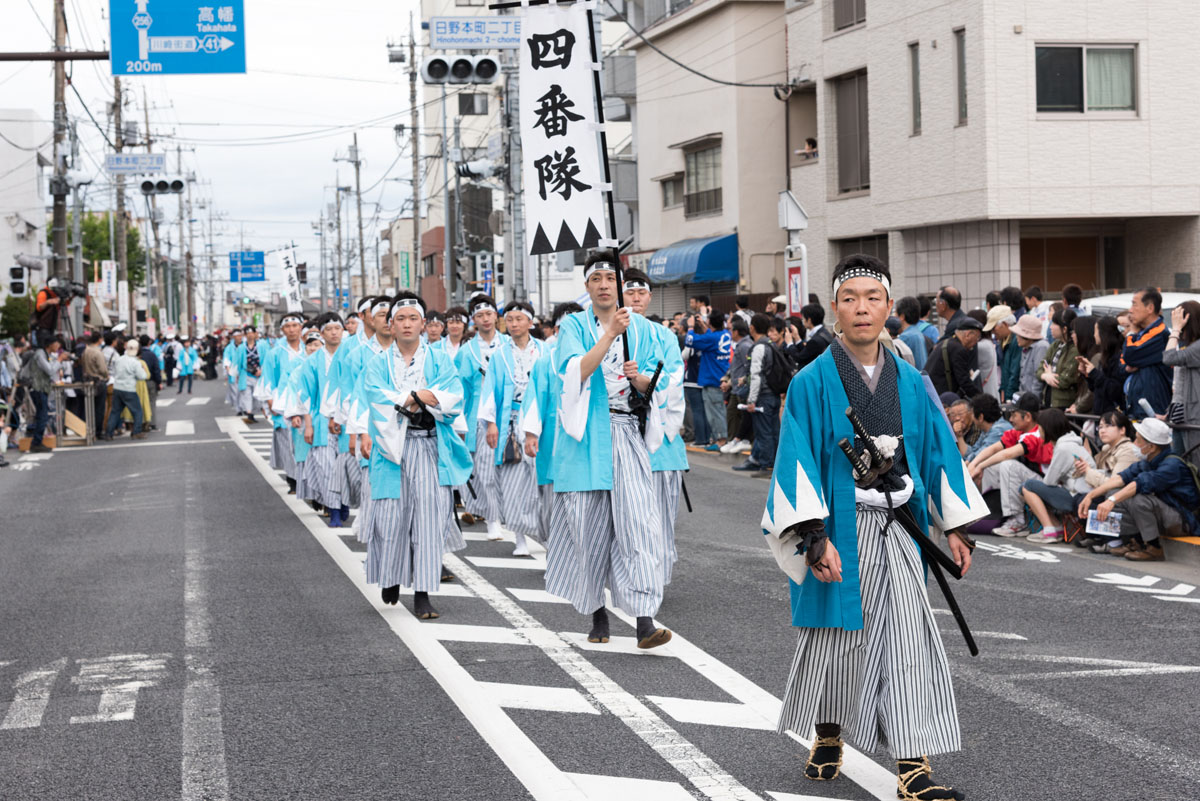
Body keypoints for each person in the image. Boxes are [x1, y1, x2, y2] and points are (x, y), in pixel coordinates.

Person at [763, 253, 985, 801]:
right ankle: (830, 731)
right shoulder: (812, 382)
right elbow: (796, 461)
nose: (862, 309)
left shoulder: (910, 381)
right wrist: (814, 537)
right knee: (839, 642)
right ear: (835, 310)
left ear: (888, 307)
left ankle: (913, 764)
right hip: (841, 526)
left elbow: (938, 453)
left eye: (872, 299)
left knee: (910, 639)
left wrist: (955, 526)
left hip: (902, 525)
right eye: (850, 299)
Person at [545, 251, 673, 649]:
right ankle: (598, 612)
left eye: (610, 277)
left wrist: (642, 381)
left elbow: (660, 385)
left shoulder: (646, 331)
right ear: (586, 286)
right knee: (588, 529)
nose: (604, 284)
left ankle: (644, 620)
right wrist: (608, 336)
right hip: (584, 438)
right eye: (596, 277)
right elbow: (573, 373)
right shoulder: (574, 326)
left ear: (621, 286)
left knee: (639, 524)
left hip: (626, 430)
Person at [621, 269, 688, 584]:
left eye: (641, 293)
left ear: (649, 297)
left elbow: (673, 383)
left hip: (659, 438)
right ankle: (631, 571)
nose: (635, 298)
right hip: (618, 433)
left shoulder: (665, 337)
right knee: (627, 513)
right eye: (630, 292)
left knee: (660, 514)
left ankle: (656, 574)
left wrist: (640, 380)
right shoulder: (606, 332)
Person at [480, 301, 547, 557]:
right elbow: (489, 392)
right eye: (509, 320)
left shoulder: (545, 351)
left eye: (519, 319)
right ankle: (520, 537)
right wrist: (491, 423)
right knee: (512, 480)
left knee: (541, 479)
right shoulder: (499, 355)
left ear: (530, 322)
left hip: (539, 418)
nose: (514, 324)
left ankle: (545, 533)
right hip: (511, 420)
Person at [1079, 418, 1200, 561]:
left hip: (1182, 520)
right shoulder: (1149, 460)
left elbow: (1139, 484)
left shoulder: (1171, 465)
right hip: (1164, 515)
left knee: (1138, 499)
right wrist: (1090, 496)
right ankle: (1136, 541)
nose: (1134, 444)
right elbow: (1120, 478)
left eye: (1138, 441)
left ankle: (1154, 547)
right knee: (1114, 492)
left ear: (1152, 447)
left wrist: (1111, 501)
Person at [520, 302, 584, 547]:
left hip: (585, 441)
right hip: (553, 439)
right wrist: (530, 434)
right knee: (552, 496)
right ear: (555, 331)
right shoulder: (545, 362)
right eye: (563, 328)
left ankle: (579, 548)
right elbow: (534, 399)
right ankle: (555, 545)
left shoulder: (596, 357)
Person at [969, 397, 1067, 537]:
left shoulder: (1037, 433)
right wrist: (974, 465)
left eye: (1014, 415)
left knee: (1008, 465)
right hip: (1038, 481)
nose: (1010, 419)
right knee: (991, 466)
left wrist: (980, 466)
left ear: (1027, 416)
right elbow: (994, 449)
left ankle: (1017, 520)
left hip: (1053, 485)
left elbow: (1007, 454)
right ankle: (988, 512)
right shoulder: (1019, 431)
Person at [288, 313, 352, 526]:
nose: (334, 332)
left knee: (346, 466)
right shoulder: (313, 361)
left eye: (338, 328)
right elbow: (305, 393)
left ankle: (343, 502)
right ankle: (333, 509)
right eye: (330, 329)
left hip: (348, 420)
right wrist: (308, 424)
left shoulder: (351, 355)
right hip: (320, 420)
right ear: (323, 333)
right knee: (326, 468)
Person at [457, 293, 510, 533]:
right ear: (473, 319)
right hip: (478, 415)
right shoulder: (467, 351)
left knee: (510, 469)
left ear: (496, 316)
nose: (485, 319)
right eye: (480, 315)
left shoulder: (508, 344)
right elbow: (459, 390)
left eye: (489, 314)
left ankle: (505, 512)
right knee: (485, 470)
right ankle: (492, 518)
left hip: (509, 412)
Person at [259, 315, 307, 495]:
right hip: (283, 403)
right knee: (287, 442)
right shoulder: (275, 353)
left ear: (301, 327)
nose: (292, 329)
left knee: (303, 441)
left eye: (295, 325)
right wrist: (270, 402)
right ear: (282, 330)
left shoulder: (308, 349)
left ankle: (304, 477)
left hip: (304, 403)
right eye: (288, 326)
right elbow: (268, 379)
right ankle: (292, 479)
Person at [684, 310, 731, 451]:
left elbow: (690, 340)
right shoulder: (724, 334)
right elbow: (710, 336)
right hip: (720, 377)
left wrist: (691, 327)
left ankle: (721, 440)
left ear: (711, 322)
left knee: (715, 412)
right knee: (718, 411)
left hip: (712, 379)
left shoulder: (711, 338)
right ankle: (719, 438)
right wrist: (703, 325)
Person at [1164, 300, 1200, 458]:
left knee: (1192, 464)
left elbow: (1168, 358)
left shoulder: (1197, 348)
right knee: (1177, 463)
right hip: (1179, 414)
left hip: (1193, 416)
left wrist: (1176, 330)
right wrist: (1168, 412)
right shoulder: (1189, 346)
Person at [1077, 316, 1126, 416]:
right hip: (1101, 413)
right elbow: (1097, 389)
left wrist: (1094, 373)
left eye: (1095, 331)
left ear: (1103, 333)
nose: (1094, 335)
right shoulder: (1105, 356)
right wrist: (1087, 375)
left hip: (1112, 415)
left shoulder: (1118, 357)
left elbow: (1115, 390)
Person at [926, 316, 984, 399]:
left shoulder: (947, 343)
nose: (977, 341)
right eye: (977, 337)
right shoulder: (958, 349)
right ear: (968, 335)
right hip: (941, 398)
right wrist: (981, 398)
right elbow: (964, 381)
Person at [104, 339, 148, 441]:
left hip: (117, 388)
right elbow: (142, 376)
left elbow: (114, 372)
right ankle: (136, 432)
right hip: (129, 389)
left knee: (115, 412)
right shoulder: (135, 362)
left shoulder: (119, 359)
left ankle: (108, 433)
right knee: (137, 411)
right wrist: (143, 370)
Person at [721, 317, 753, 454]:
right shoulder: (740, 345)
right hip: (736, 386)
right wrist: (728, 379)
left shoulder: (745, 345)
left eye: (731, 330)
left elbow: (748, 367)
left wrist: (742, 381)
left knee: (740, 415)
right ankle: (735, 440)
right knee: (733, 413)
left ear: (736, 332)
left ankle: (741, 440)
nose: (730, 333)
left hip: (742, 387)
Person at [1039, 312, 1080, 409]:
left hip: (1063, 403)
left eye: (1053, 324)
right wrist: (1045, 375)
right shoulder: (1056, 345)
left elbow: (1064, 380)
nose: (1050, 327)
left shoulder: (1074, 350)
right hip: (1048, 398)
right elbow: (1040, 367)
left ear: (1064, 329)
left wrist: (1048, 375)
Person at [963, 393, 1012, 462]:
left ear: (980, 417)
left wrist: (968, 462)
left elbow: (980, 455)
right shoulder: (986, 430)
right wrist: (959, 436)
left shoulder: (999, 430)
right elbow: (973, 451)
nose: (972, 418)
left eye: (972, 414)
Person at [1012, 315, 1048, 402]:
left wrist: (1033, 401)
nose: (1016, 337)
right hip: (1024, 398)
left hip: (1033, 401)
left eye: (1019, 334)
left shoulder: (1041, 347)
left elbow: (1038, 378)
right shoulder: (1025, 347)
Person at [794, 303, 834, 369]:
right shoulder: (825, 333)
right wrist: (797, 338)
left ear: (809, 320)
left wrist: (789, 344)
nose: (802, 321)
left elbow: (800, 358)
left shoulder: (815, 340)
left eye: (803, 318)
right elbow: (808, 350)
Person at [895, 296, 930, 371]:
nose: (894, 316)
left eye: (895, 313)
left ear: (902, 316)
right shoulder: (917, 333)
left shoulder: (905, 337)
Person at [137, 335, 162, 431]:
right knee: (152, 402)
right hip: (151, 381)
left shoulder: (137, 355)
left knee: (140, 402)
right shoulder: (152, 354)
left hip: (139, 382)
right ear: (149, 343)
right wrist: (159, 381)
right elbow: (156, 369)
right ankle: (152, 423)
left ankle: (142, 422)